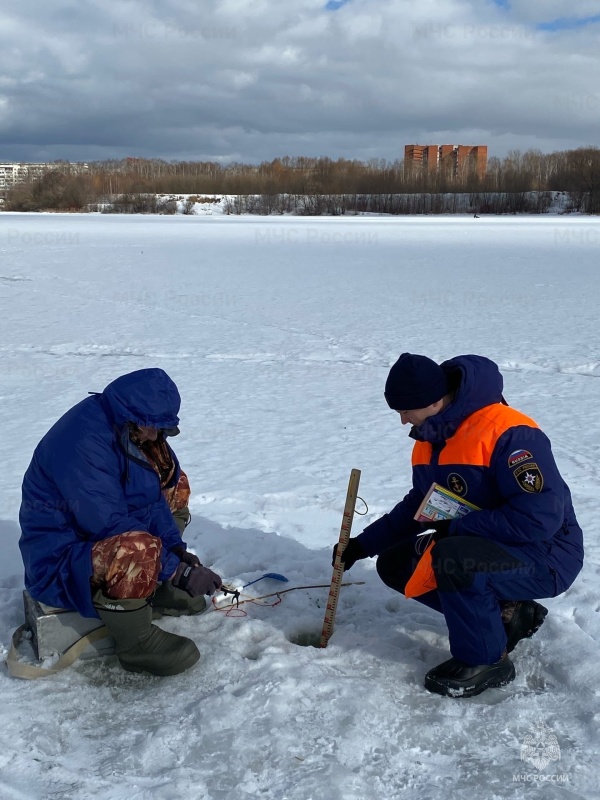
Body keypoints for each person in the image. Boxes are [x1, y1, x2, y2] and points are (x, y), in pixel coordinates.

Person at [334, 353, 583, 698]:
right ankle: (508, 614)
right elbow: (419, 506)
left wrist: (459, 528)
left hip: (548, 554)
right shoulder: (430, 440)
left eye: (406, 411)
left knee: (454, 559)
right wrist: (363, 545)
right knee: (396, 563)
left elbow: (537, 518)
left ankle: (487, 660)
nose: (403, 421)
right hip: (485, 546)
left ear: (434, 401)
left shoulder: (509, 434)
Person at [19, 368, 222, 676]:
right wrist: (179, 573)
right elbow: (109, 524)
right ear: (130, 414)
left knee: (175, 484)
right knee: (135, 547)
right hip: (61, 560)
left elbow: (149, 500)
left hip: (94, 542)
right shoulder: (83, 443)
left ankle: (152, 588)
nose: (155, 436)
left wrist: (176, 552)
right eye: (151, 427)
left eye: (161, 429)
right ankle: (136, 645)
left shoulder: (129, 431)